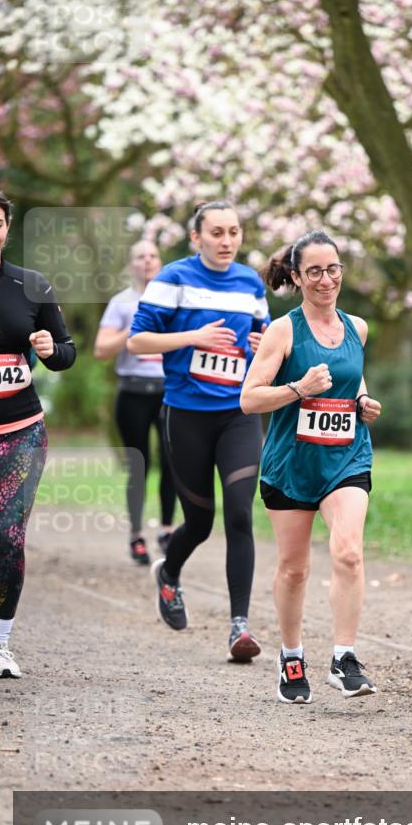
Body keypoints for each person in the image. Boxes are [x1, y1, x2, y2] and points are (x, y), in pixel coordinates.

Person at [240, 230, 382, 704]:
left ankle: (344, 658)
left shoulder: (357, 327)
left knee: (349, 552)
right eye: (315, 271)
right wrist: (299, 388)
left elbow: (352, 375)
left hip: (346, 457)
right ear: (297, 278)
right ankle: (291, 655)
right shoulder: (283, 331)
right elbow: (249, 399)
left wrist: (362, 400)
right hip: (291, 465)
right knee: (294, 569)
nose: (326, 279)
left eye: (333, 269)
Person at [128, 200, 269, 661]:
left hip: (239, 413)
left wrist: (262, 345)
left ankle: (239, 626)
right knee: (201, 522)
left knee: (240, 514)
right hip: (186, 415)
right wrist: (193, 337)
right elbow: (137, 340)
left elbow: (266, 340)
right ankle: (169, 574)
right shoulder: (173, 279)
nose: (226, 241)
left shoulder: (250, 282)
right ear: (196, 238)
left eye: (234, 232)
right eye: (216, 232)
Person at [0, 188, 76, 678]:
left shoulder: (31, 286)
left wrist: (49, 349)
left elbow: (66, 353)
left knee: (5, 535)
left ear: (6, 229)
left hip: (19, 432)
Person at [94, 240, 177, 565]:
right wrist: (133, 330)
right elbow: (101, 350)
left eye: (153, 255)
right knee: (138, 465)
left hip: (169, 392)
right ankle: (137, 535)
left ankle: (167, 530)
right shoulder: (121, 303)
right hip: (132, 393)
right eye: (140, 256)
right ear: (132, 265)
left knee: (172, 462)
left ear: (160, 262)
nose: (147, 261)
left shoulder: (174, 300)